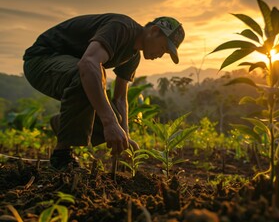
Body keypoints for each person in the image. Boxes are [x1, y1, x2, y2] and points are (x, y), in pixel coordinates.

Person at [23, 13, 185, 170]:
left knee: (116, 114)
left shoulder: (133, 56)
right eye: (163, 47)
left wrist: (124, 137)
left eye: (166, 53)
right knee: (89, 75)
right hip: (41, 60)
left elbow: (120, 99)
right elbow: (88, 64)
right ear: (154, 31)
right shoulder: (122, 28)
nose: (160, 54)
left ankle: (63, 122)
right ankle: (61, 157)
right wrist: (109, 123)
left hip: (69, 68)